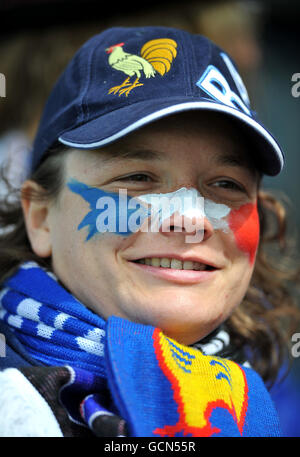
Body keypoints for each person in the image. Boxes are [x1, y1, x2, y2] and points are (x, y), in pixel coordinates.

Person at [0, 26, 298, 437]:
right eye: (139, 178)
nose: (190, 221)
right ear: (40, 218)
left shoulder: (269, 404)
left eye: (226, 184)